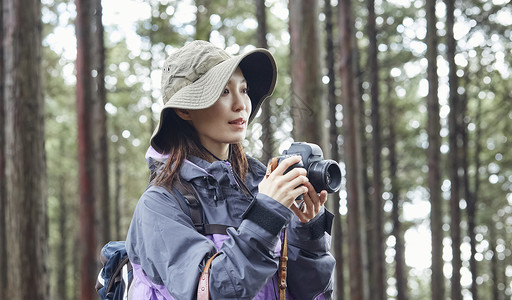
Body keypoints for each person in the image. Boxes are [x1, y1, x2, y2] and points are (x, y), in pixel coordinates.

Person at [125, 40, 335, 300]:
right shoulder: (159, 205)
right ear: (184, 109)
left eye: (244, 89)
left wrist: (308, 232)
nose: (241, 104)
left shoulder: (264, 186)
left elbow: (310, 292)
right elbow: (213, 291)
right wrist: (266, 215)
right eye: (223, 91)